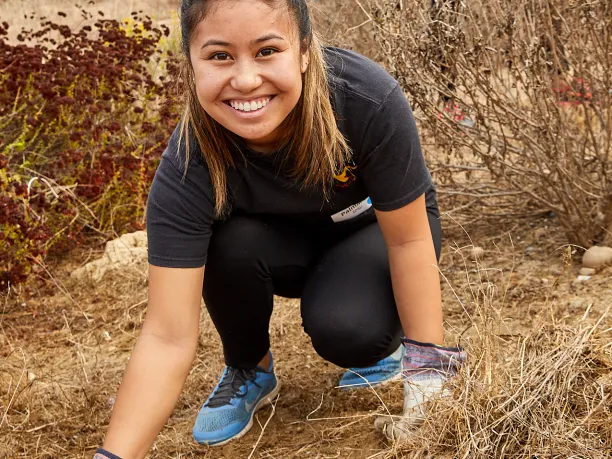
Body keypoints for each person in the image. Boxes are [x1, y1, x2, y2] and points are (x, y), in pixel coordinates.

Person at [93, 0, 465, 457]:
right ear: (190, 64)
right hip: (279, 246)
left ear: (305, 52)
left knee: (351, 331)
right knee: (225, 242)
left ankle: (379, 342)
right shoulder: (189, 163)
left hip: (375, 231)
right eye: (219, 56)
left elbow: (408, 240)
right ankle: (250, 368)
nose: (246, 80)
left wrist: (428, 376)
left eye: (267, 50)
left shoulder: (366, 99)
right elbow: (166, 336)